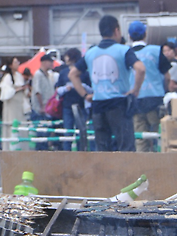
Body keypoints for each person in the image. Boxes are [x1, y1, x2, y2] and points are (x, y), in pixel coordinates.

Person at [70, 15, 145, 152]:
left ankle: (104, 174)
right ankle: (126, 174)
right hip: (119, 104)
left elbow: (73, 74)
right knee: (125, 147)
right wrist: (135, 90)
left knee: (103, 149)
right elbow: (140, 68)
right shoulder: (123, 50)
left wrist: (85, 94)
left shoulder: (90, 53)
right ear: (116, 30)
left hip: (98, 106)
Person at [127, 20, 171, 152]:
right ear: (145, 34)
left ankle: (143, 169)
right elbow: (167, 77)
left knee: (140, 138)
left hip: (135, 101)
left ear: (129, 36)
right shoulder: (156, 51)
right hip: (155, 99)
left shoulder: (125, 52)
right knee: (160, 135)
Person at [55, 48, 91, 151]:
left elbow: (90, 88)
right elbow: (58, 89)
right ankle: (67, 153)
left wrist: (81, 86)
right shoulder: (63, 72)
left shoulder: (84, 72)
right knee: (68, 132)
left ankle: (81, 153)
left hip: (81, 105)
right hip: (67, 105)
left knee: (82, 132)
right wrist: (66, 88)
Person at [0, 57, 29, 150]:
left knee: (21, 126)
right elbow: (5, 93)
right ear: (10, 65)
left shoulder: (19, 75)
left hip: (19, 105)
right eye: (15, 62)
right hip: (11, 106)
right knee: (11, 126)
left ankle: (22, 149)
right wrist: (18, 89)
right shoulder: (7, 77)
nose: (18, 64)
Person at [30, 54, 56, 150]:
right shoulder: (38, 75)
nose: (52, 64)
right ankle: (40, 153)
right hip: (40, 110)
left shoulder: (48, 75)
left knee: (46, 132)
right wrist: (42, 107)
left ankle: (44, 151)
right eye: (50, 62)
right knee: (41, 133)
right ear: (44, 62)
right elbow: (38, 92)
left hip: (48, 109)